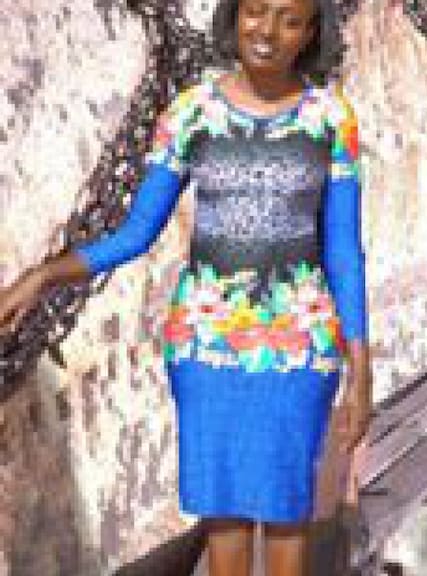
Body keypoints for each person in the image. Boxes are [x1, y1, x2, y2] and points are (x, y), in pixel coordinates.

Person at [0, 0, 372, 574]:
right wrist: (45, 274)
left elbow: (344, 254)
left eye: (290, 20)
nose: (268, 32)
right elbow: (136, 233)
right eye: (256, 12)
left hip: (298, 350)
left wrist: (361, 368)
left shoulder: (331, 119)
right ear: (235, 15)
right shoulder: (191, 112)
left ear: (310, 33)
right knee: (223, 520)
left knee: (286, 515)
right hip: (206, 344)